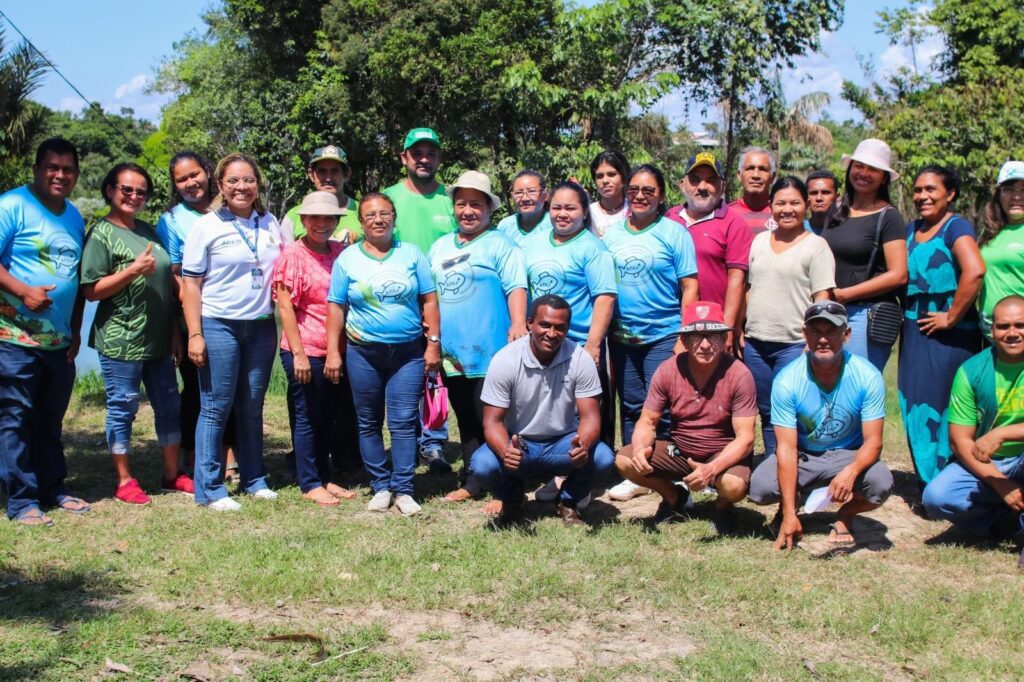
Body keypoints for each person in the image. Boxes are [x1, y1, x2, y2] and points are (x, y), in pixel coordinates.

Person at [325, 192, 441, 516]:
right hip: (363, 353)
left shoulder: (412, 255)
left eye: (385, 213)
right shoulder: (348, 259)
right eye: (370, 215)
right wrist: (334, 352)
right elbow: (336, 307)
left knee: (404, 421)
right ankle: (380, 486)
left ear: (394, 217)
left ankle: (403, 488)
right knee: (368, 421)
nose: (378, 219)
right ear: (361, 222)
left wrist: (433, 342)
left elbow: (429, 300)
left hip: (408, 353)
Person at [80, 163, 190, 505]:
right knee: (122, 407)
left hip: (158, 340)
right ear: (110, 190)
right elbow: (92, 290)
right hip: (120, 339)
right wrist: (132, 270)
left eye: (141, 191)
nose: (134, 196)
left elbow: (165, 285)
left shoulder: (147, 231)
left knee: (170, 405)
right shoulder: (101, 234)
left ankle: (172, 476)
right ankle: (125, 480)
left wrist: (174, 330)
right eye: (126, 189)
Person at [182, 152, 284, 511]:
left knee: (252, 406)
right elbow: (190, 285)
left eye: (249, 180)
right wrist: (195, 334)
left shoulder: (270, 222)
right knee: (215, 406)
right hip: (219, 324)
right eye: (234, 181)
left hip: (260, 327)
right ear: (221, 186)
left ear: (258, 184)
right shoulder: (207, 225)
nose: (242, 187)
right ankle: (209, 488)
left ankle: (254, 478)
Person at [749, 302, 894, 549]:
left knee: (881, 483)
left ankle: (846, 514)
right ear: (805, 334)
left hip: (848, 454)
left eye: (832, 331)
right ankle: (789, 508)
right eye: (816, 331)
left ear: (846, 335)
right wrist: (790, 514)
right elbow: (785, 448)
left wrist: (852, 471)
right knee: (760, 489)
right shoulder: (787, 381)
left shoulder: (867, 376)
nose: (823, 339)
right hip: (805, 455)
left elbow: (874, 442)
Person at [0, 138, 89, 526]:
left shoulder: (74, 216)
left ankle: (52, 488)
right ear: (37, 169)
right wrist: (22, 291)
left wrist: (74, 327)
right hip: (13, 337)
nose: (60, 175)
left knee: (50, 419)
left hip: (58, 342)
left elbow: (75, 276)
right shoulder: (12, 205)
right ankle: (21, 501)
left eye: (68, 169)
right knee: (15, 418)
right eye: (52, 167)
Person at [470, 295, 615, 526]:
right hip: (520, 444)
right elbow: (492, 422)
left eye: (560, 327)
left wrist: (584, 443)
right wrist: (506, 450)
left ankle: (569, 501)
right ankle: (513, 500)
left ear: (568, 329)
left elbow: (590, 417)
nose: (552, 333)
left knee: (603, 458)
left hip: (563, 444)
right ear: (529, 323)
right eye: (544, 324)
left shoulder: (580, 359)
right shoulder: (505, 360)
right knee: (483, 464)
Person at [428, 171, 527, 506]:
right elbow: (430, 297)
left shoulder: (501, 244)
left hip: (492, 350)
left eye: (475, 204)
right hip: (452, 353)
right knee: (466, 419)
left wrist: (517, 323)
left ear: (489, 208)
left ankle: (504, 483)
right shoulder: (440, 246)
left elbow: (516, 286)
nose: (467, 210)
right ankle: (473, 480)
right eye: (461, 204)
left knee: (493, 419)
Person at [615, 301, 756, 533]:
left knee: (734, 485)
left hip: (721, 452)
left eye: (713, 336)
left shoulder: (739, 374)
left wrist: (712, 468)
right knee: (626, 459)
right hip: (679, 449)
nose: (704, 345)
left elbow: (746, 438)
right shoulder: (668, 370)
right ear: (684, 340)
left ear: (723, 340)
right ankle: (674, 496)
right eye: (695, 337)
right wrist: (641, 447)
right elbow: (648, 420)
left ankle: (723, 506)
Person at [604, 164, 699, 502]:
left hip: (664, 333)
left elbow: (690, 286)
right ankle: (636, 470)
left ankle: (675, 473)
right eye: (634, 189)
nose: (640, 195)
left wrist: (682, 337)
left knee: (664, 407)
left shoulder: (675, 234)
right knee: (630, 405)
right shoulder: (612, 235)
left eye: (649, 190)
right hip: (623, 337)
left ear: (661, 196)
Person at [524, 182, 617, 502]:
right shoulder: (534, 243)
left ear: (584, 212)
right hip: (543, 344)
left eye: (571, 208)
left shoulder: (592, 248)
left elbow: (604, 297)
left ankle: (580, 483)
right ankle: (559, 474)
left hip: (577, 344)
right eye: (557, 208)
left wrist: (593, 345)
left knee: (581, 414)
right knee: (554, 412)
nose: (562, 215)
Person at [922, 295, 1024, 569]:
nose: (1012, 333)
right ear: (991, 330)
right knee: (937, 498)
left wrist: (1002, 434)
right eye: (1003, 326)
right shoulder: (972, 370)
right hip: (990, 461)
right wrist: (1000, 483)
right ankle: (1004, 523)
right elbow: (959, 440)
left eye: (1020, 325)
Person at [899, 166, 985, 488]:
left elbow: (974, 270)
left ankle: (948, 481)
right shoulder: (910, 230)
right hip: (914, 330)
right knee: (913, 403)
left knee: (945, 406)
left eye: (931, 189)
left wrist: (951, 316)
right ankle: (927, 481)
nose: (922, 196)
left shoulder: (955, 226)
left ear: (950, 194)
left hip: (949, 335)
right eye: (918, 190)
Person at [273, 191, 358, 507]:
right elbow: (286, 309)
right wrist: (298, 354)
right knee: (308, 415)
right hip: (305, 348)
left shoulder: (341, 253)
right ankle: (309, 481)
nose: (321, 224)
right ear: (304, 220)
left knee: (328, 416)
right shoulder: (292, 256)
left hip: (337, 350)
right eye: (314, 218)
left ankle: (324, 476)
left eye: (328, 218)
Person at [744, 177, 835, 457]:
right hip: (756, 342)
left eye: (795, 203)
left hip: (794, 343)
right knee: (766, 409)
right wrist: (740, 328)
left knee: (794, 407)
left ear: (806, 206)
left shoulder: (816, 246)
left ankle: (802, 463)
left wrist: (815, 339)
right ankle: (774, 462)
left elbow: (823, 297)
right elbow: (750, 288)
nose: (787, 209)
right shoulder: (759, 241)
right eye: (781, 203)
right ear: (771, 206)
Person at [383, 127, 456, 470]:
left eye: (431, 153)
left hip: (445, 301)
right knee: (404, 374)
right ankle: (407, 440)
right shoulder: (389, 198)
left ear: (439, 158)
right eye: (417, 153)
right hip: (401, 302)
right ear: (404, 158)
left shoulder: (450, 199)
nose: (424, 159)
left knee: (434, 373)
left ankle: (435, 442)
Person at [156, 152, 226, 478]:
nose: (190, 183)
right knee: (197, 390)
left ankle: (230, 455)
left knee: (232, 387)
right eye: (181, 179)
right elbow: (171, 273)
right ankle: (192, 456)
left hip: (232, 313)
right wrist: (180, 323)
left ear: (207, 172)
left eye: (194, 174)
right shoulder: (171, 220)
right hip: (191, 320)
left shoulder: (230, 206)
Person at [820, 138, 908, 372]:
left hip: (865, 317)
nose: (864, 173)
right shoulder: (836, 211)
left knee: (857, 386)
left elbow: (898, 274)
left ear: (883, 178)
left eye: (873, 169)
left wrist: (847, 294)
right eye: (859, 166)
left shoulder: (888, 217)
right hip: (831, 310)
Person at [664, 152, 752, 351]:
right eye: (695, 180)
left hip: (713, 329)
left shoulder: (733, 222)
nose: (702, 187)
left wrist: (727, 329)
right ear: (682, 184)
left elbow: (736, 280)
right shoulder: (669, 218)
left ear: (722, 186)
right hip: (669, 328)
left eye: (710, 181)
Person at [280, 144, 361, 246]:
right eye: (322, 171)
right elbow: (285, 257)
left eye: (335, 171)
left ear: (346, 174)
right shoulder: (294, 216)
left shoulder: (364, 212)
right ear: (311, 175)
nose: (328, 178)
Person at [977, 161, 1024, 336]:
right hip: (991, 335)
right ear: (999, 194)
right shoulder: (990, 231)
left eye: (1023, 190)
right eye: (1009, 189)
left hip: (1018, 337)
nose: (1017, 197)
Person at [496, 169, 551, 245]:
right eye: (518, 193)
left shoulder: (554, 224)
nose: (525, 198)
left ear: (545, 195)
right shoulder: (505, 226)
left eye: (532, 191)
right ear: (512, 196)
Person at [729, 147, 776, 235]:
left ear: (772, 177)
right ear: (739, 175)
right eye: (750, 168)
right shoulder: (727, 214)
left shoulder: (782, 214)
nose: (755, 175)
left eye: (762, 169)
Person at [588, 150, 630, 238]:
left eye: (611, 174)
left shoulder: (634, 210)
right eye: (599, 176)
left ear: (624, 177)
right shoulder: (588, 214)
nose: (605, 181)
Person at [805, 169, 838, 235]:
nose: (819, 198)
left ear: (836, 197)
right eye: (813, 193)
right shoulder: (796, 230)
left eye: (825, 192)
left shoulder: (848, 229)